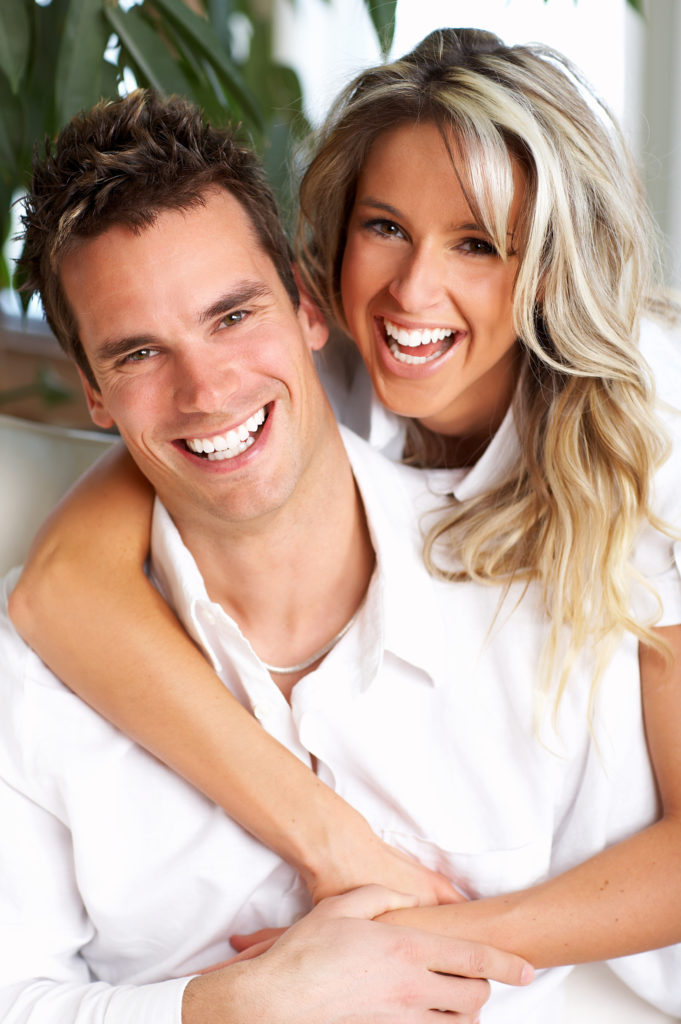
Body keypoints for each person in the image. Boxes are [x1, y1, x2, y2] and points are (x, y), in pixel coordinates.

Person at [8, 26, 681, 1015]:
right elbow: (63, 586)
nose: (412, 289)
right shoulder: (312, 357)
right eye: (384, 226)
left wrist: (414, 939)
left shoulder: (644, 425)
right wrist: (327, 866)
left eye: (478, 242)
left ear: (545, 267)